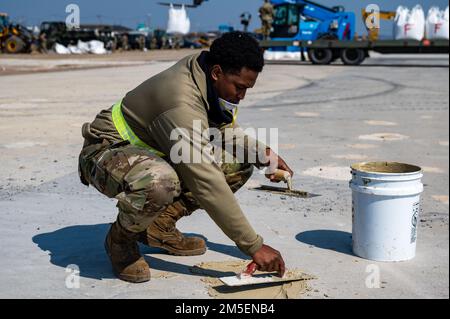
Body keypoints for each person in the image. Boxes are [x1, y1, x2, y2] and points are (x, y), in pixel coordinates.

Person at [78, 32, 293, 283]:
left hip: (151, 153)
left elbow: (221, 131)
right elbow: (204, 180)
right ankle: (119, 241)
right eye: (240, 87)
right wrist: (253, 245)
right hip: (105, 151)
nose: (241, 96)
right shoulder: (180, 101)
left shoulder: (204, 74)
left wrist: (264, 154)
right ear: (217, 73)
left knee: (240, 163)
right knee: (159, 182)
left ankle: (159, 226)